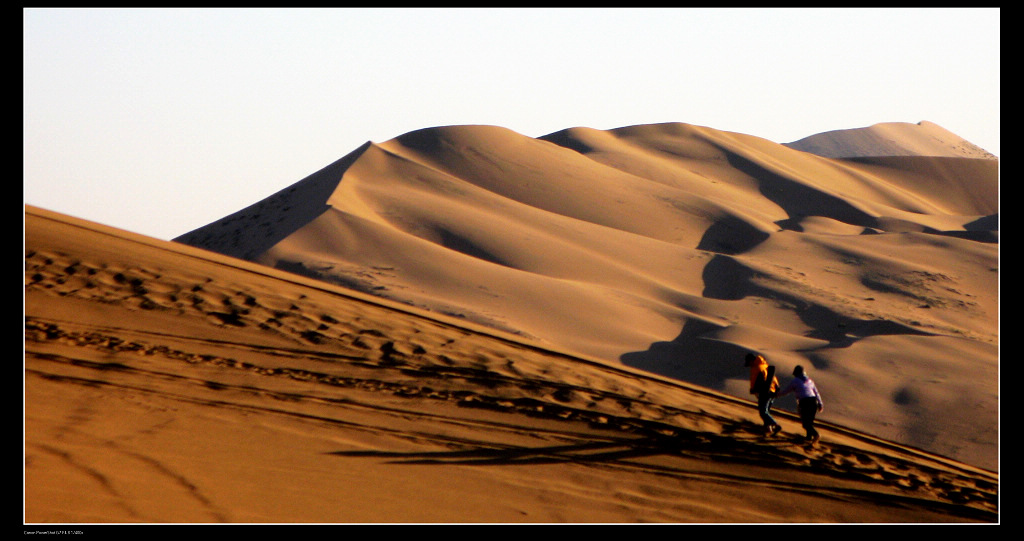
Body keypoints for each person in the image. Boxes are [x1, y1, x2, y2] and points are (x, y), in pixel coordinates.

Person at [778, 365, 824, 442]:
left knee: (806, 423)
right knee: (809, 422)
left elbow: (786, 391)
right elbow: (816, 393)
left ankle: (816, 435)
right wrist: (820, 404)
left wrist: (777, 394)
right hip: (813, 402)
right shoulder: (810, 380)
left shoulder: (795, 381)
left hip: (805, 402)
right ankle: (809, 437)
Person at [745, 352, 781, 435]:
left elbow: (754, 381)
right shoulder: (765, 366)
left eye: (748, 362)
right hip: (772, 392)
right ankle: (768, 429)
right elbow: (774, 379)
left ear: (751, 361)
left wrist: (752, 390)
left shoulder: (756, 368)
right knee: (766, 411)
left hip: (764, 392)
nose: (749, 365)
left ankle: (775, 424)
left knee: (763, 412)